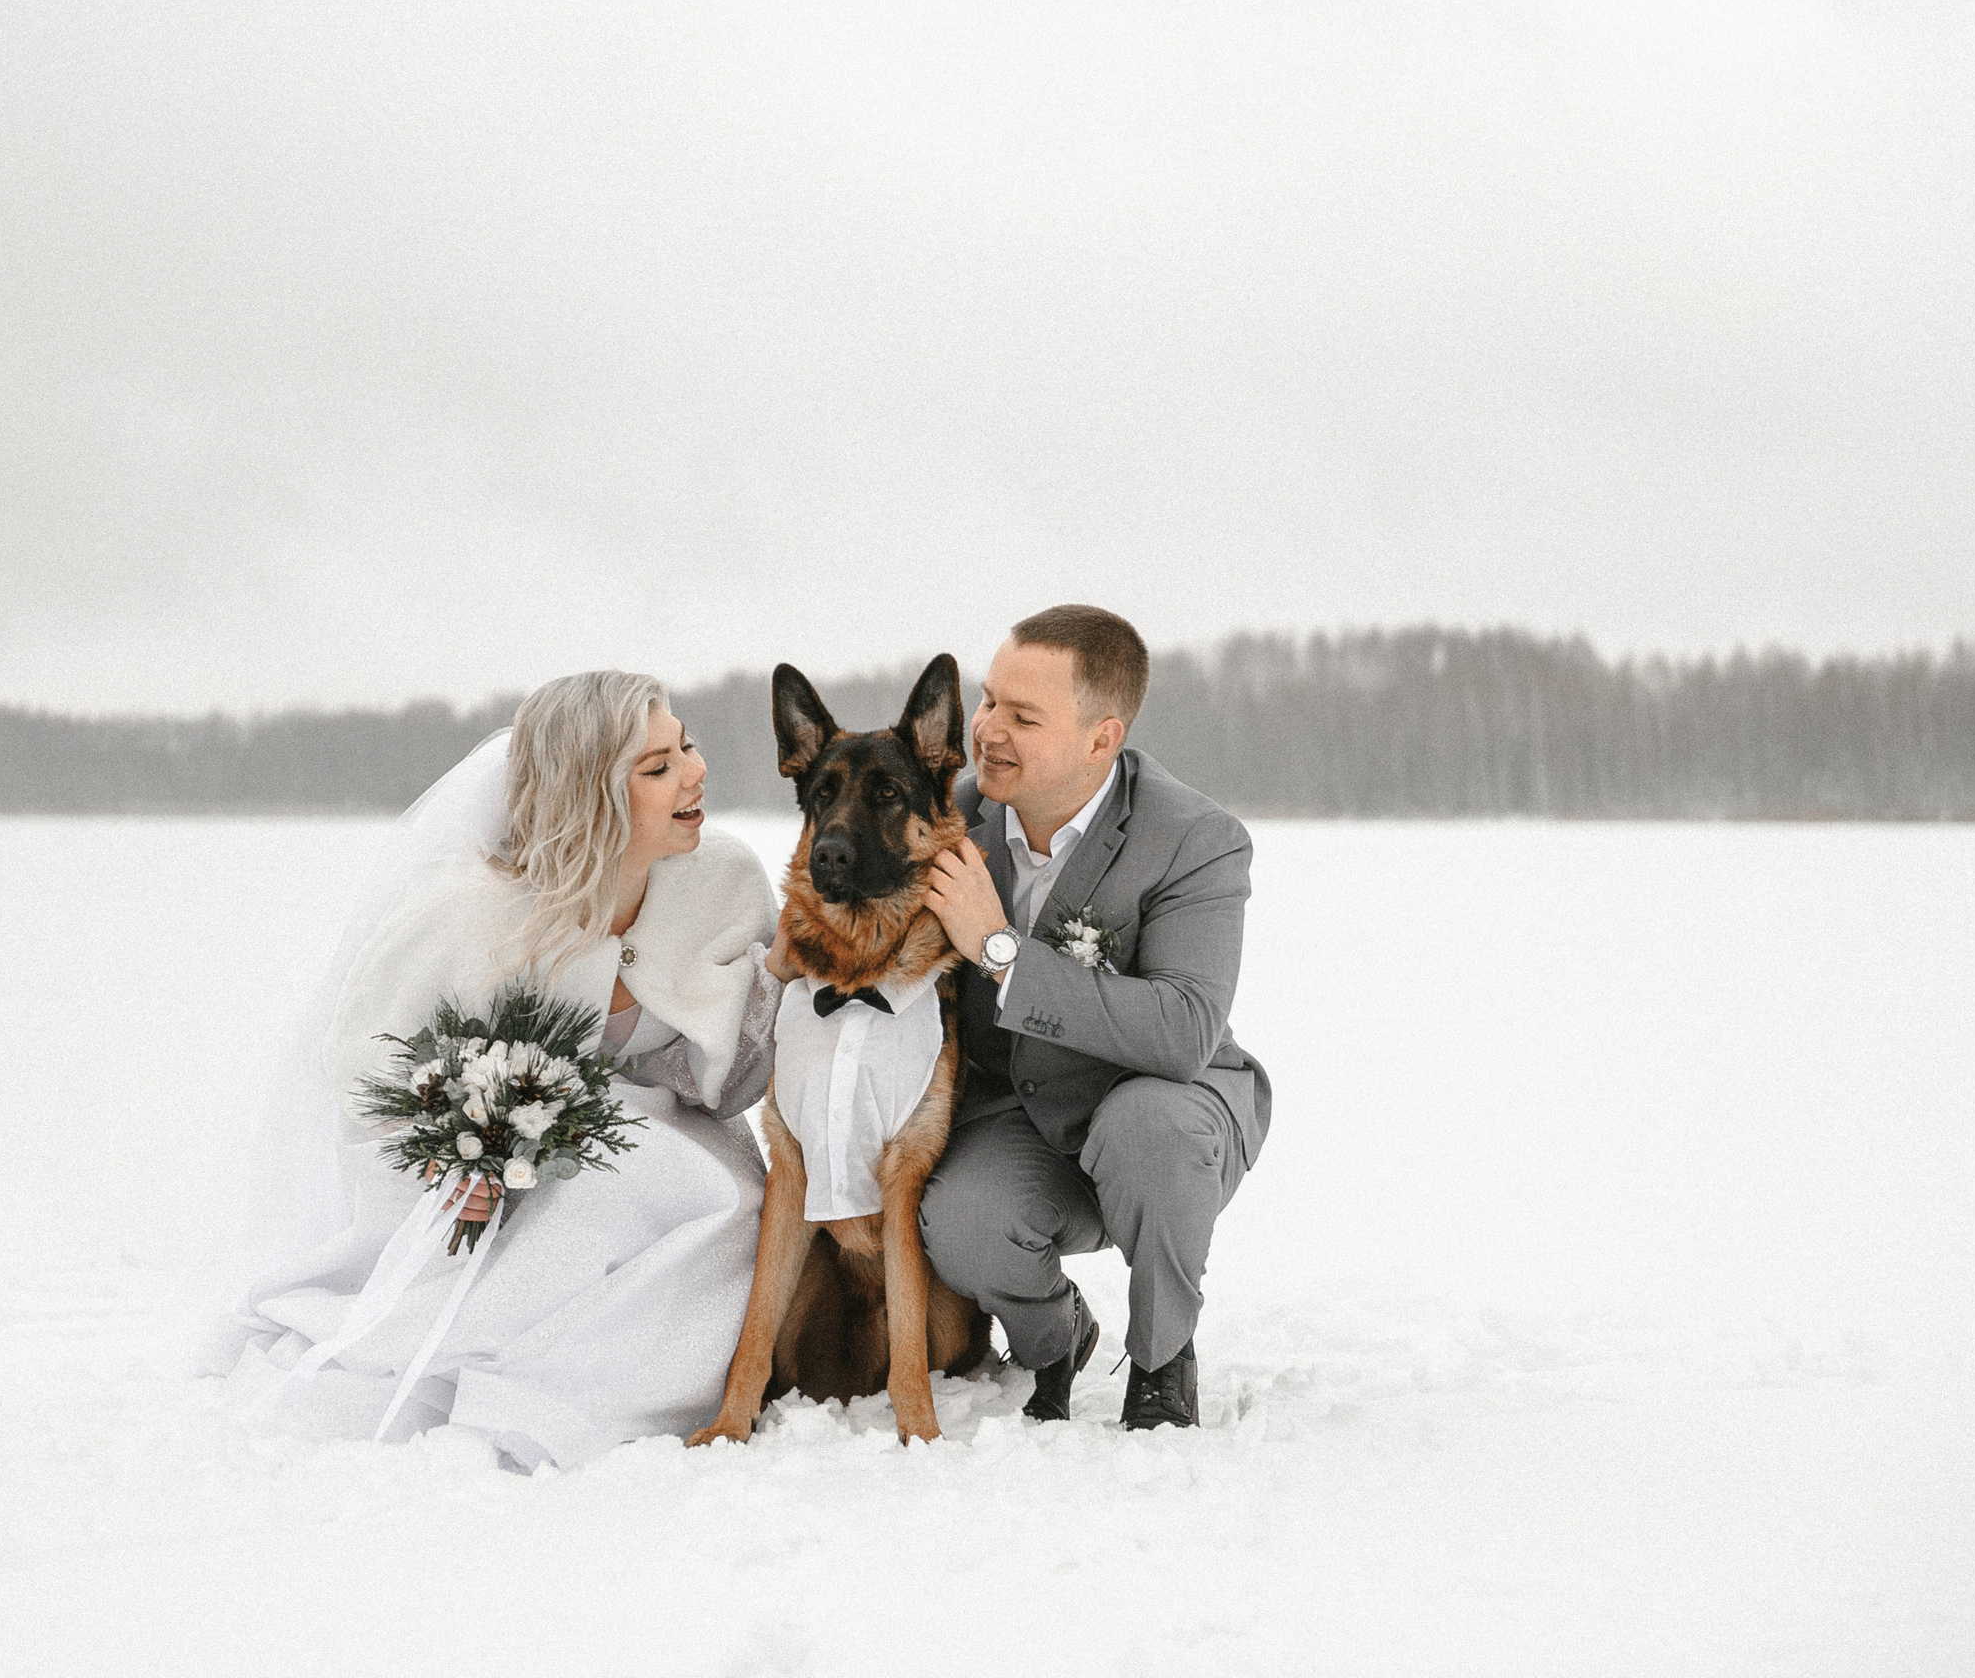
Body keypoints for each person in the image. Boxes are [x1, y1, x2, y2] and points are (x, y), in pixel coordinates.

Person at [199, 671, 788, 1472]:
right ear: (590, 793)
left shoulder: (726, 880)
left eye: (686, 745)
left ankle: (560, 1392)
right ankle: (497, 1380)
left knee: (729, 1212)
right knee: (598, 1193)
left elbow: (743, 1076)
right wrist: (455, 1147)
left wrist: (777, 982)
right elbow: (365, 1065)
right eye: (656, 767)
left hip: (683, 1145)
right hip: (510, 1178)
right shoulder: (472, 906)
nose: (695, 772)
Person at [916, 605, 1271, 1429]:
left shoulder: (1196, 840)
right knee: (963, 1219)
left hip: (1167, 1103)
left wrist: (1000, 951)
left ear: (1101, 740)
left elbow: (1183, 1029)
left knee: (1150, 1129)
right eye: (990, 700)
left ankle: (1161, 1359)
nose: (988, 731)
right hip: (1023, 1109)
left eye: (1024, 716)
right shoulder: (949, 818)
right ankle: (1055, 1336)